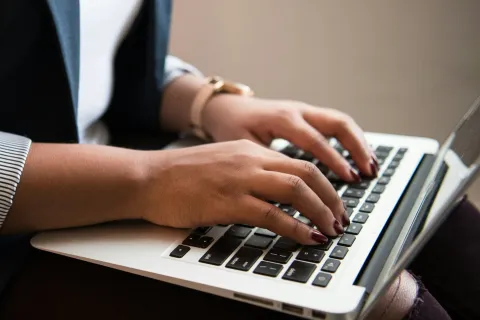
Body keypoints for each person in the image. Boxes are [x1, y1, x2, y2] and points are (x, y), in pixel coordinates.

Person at [0, 1, 478, 319]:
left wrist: (208, 103)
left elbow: (91, 53)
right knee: (379, 302)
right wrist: (147, 179)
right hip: (24, 240)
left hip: (123, 169)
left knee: (427, 208)